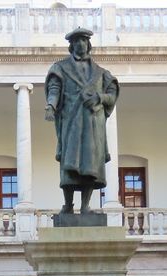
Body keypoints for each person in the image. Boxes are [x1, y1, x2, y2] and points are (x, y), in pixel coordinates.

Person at [45, 27, 120, 214]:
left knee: (91, 164)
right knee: (69, 165)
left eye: (83, 40)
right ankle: (68, 205)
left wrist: (100, 98)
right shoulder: (61, 67)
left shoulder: (101, 73)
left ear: (89, 44)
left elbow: (112, 94)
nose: (80, 44)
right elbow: (54, 89)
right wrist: (51, 106)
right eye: (76, 41)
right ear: (71, 46)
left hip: (93, 123)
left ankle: (86, 206)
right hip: (71, 121)